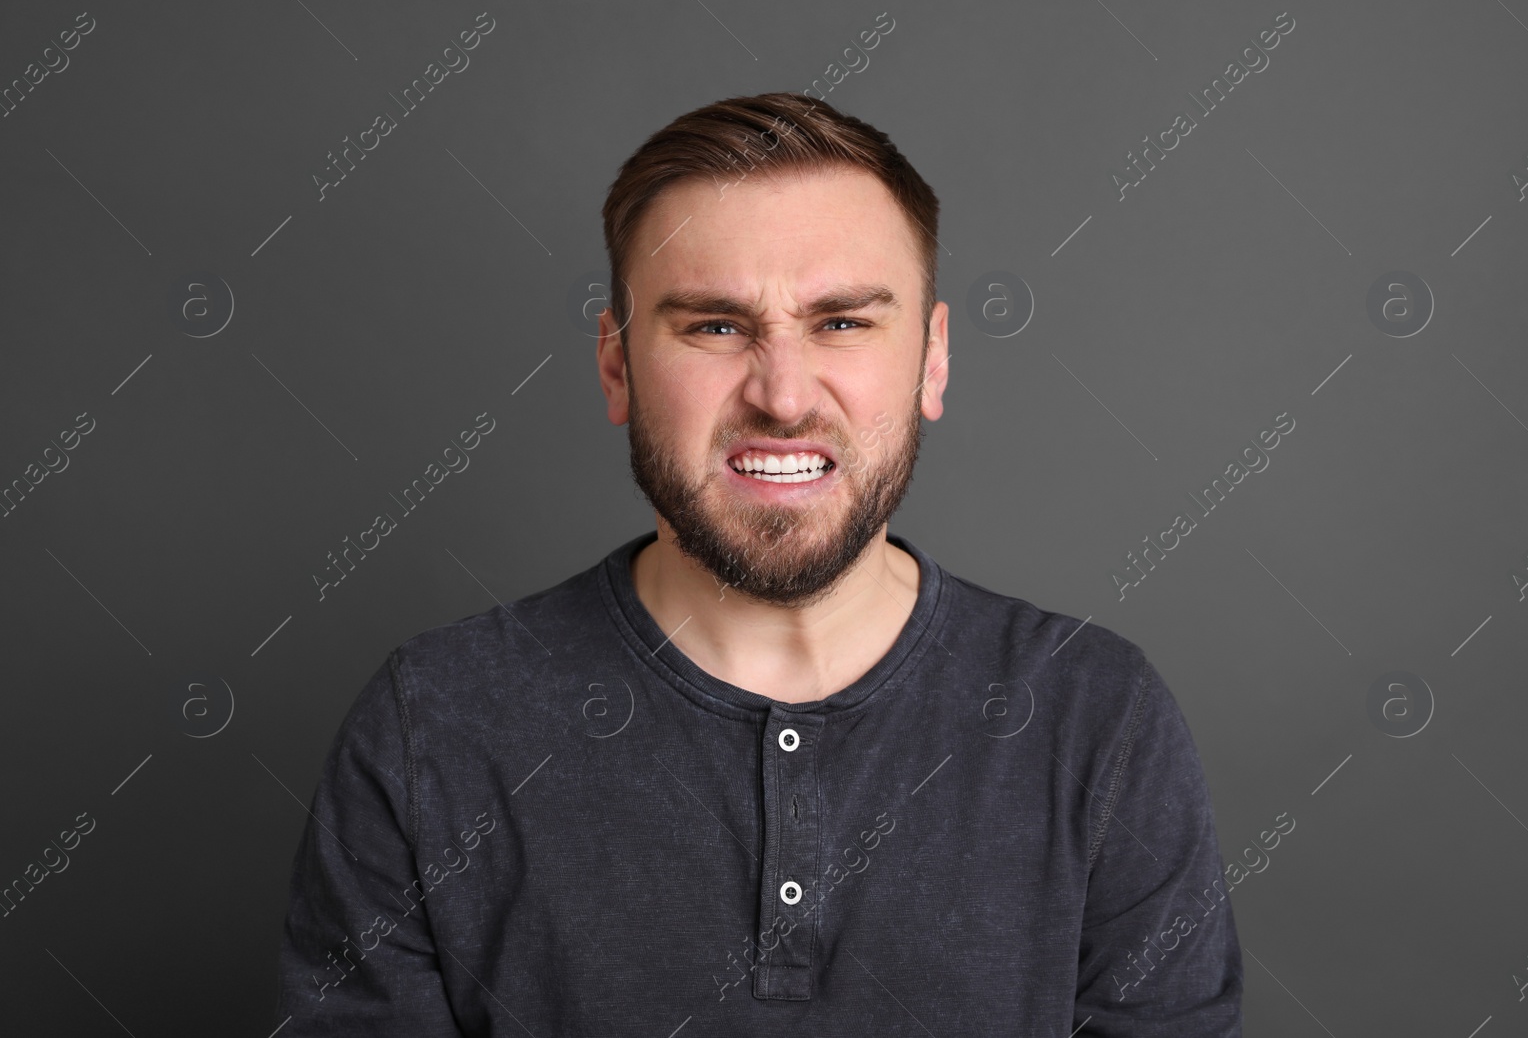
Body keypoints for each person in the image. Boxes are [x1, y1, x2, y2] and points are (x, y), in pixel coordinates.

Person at [274, 91, 1243, 1035]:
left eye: (843, 322)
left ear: (933, 358)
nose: (781, 396)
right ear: (615, 366)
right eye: (714, 326)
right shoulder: (430, 727)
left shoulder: (1097, 720)